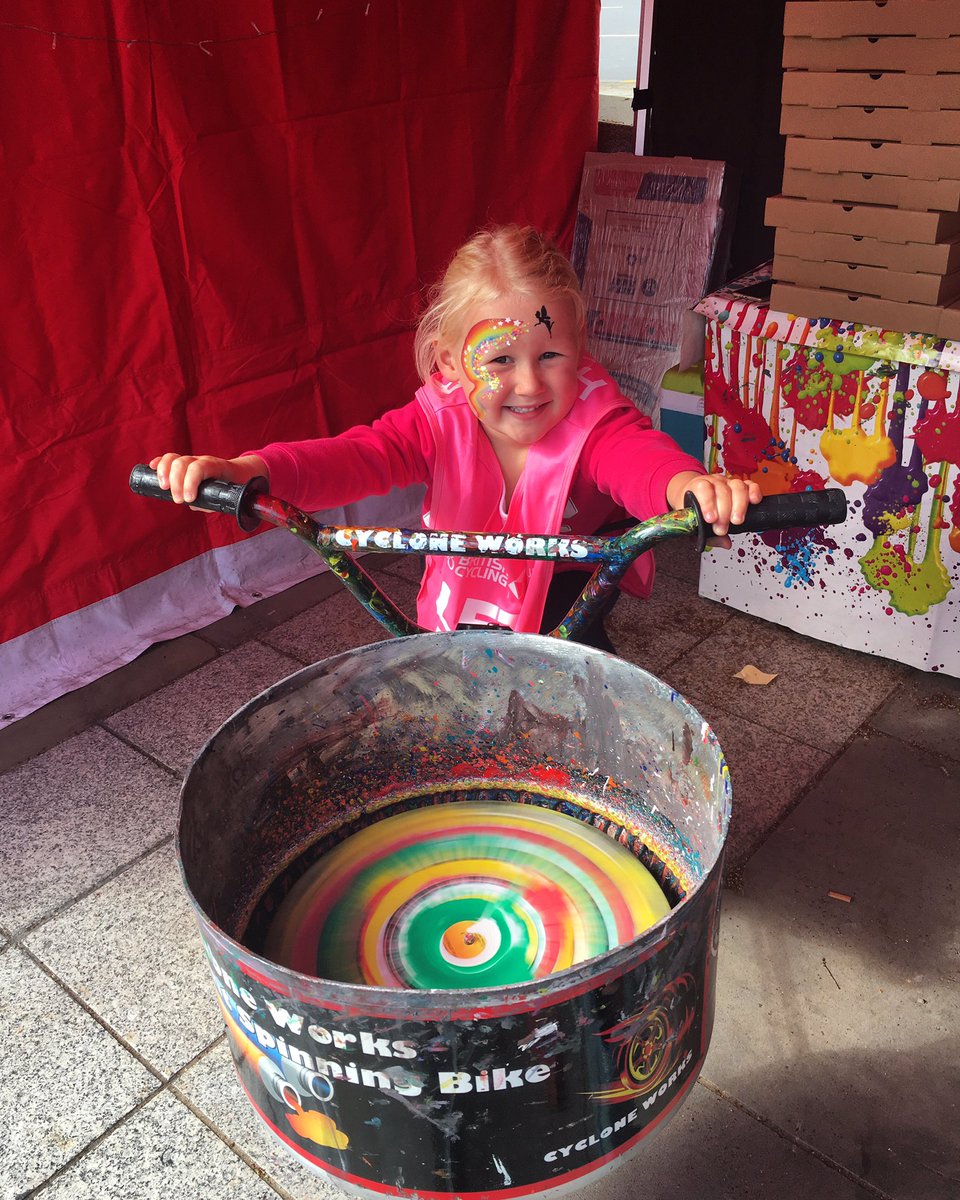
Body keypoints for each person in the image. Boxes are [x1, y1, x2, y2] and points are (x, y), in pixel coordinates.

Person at [150, 225, 760, 650]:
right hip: (467, 588)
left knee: (585, 679)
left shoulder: (591, 417)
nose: (528, 384)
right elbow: (355, 456)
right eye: (498, 361)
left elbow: (637, 458)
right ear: (447, 361)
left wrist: (689, 486)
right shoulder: (436, 418)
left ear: (580, 349)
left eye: (551, 354)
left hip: (570, 580)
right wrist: (250, 469)